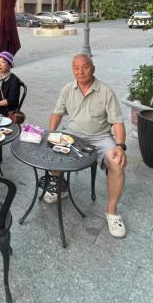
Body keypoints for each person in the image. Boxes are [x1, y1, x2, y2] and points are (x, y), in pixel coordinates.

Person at [49, 54, 127, 238]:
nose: (80, 71)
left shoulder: (105, 91)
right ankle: (61, 187)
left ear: (93, 68)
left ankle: (112, 211)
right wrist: (51, 132)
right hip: (73, 134)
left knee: (117, 163)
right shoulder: (67, 89)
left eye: (85, 67)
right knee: (52, 152)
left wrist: (120, 146)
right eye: (76, 67)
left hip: (100, 137)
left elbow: (117, 122)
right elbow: (57, 113)